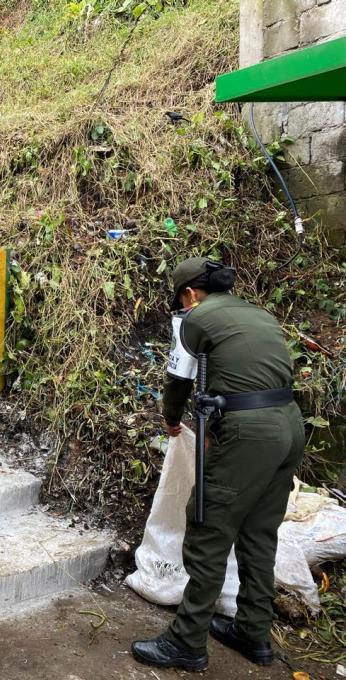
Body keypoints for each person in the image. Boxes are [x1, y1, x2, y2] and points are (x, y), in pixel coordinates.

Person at [132, 256, 304, 671]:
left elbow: (179, 380)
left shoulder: (194, 319)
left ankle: (186, 642)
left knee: (208, 531)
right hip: (290, 424)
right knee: (260, 534)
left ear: (189, 294)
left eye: (180, 299)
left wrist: (172, 420)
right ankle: (253, 632)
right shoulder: (259, 313)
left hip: (248, 433)